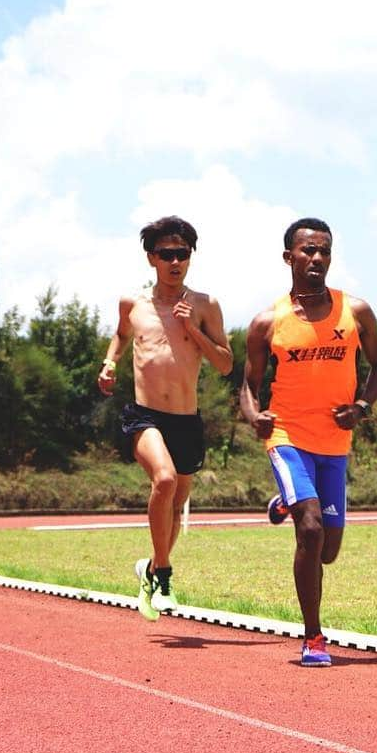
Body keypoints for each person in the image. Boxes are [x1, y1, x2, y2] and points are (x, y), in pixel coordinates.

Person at [240, 217, 377, 666]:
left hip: (334, 441)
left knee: (328, 551)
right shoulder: (268, 323)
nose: (316, 258)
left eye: (323, 251)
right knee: (310, 529)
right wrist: (254, 416)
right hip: (287, 436)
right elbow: (247, 384)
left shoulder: (355, 312)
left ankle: (284, 502)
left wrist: (361, 408)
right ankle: (314, 638)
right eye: (307, 251)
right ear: (289, 257)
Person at [99, 216, 233, 620]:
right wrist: (109, 363)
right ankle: (165, 575)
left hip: (186, 420)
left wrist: (192, 329)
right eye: (166, 254)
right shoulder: (132, 304)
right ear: (151, 258)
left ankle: (150, 567)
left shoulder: (205, 305)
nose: (175, 261)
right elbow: (122, 334)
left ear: (190, 257)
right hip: (144, 415)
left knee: (175, 507)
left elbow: (226, 364)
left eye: (182, 254)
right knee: (165, 480)